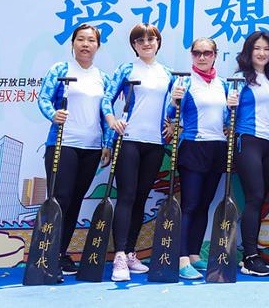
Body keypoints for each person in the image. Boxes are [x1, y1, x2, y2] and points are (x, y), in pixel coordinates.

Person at [37, 23, 112, 276]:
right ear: (73, 43)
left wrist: (107, 144)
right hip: (63, 144)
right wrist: (53, 114)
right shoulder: (60, 70)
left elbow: (106, 113)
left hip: (91, 147)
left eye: (91, 40)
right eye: (80, 39)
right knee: (60, 199)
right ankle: (46, 253)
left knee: (76, 200)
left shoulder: (103, 77)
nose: (85, 44)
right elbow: (44, 98)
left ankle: (60, 253)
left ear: (98, 46)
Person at [103, 24, 174, 282]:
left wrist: (171, 123)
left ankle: (131, 252)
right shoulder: (126, 69)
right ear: (134, 45)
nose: (146, 43)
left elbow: (171, 107)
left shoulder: (167, 74)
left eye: (151, 39)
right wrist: (112, 121)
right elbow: (106, 99)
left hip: (155, 144)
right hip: (129, 140)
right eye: (140, 40)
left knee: (141, 197)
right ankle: (120, 256)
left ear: (158, 43)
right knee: (127, 196)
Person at [168, 37, 230, 280]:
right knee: (191, 204)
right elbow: (169, 113)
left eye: (207, 53)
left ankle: (194, 254)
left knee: (205, 204)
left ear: (215, 55)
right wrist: (174, 100)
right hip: (193, 146)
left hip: (217, 147)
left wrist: (232, 110)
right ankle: (181, 258)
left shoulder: (223, 84)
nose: (202, 57)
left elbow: (227, 120)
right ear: (192, 55)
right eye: (197, 53)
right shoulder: (184, 82)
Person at [227, 31, 269, 277]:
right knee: (254, 197)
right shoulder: (240, 80)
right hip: (247, 141)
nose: (262, 53)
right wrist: (229, 105)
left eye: (266, 49)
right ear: (248, 52)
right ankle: (249, 257)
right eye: (257, 48)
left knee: (260, 200)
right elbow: (226, 113)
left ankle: (253, 252)